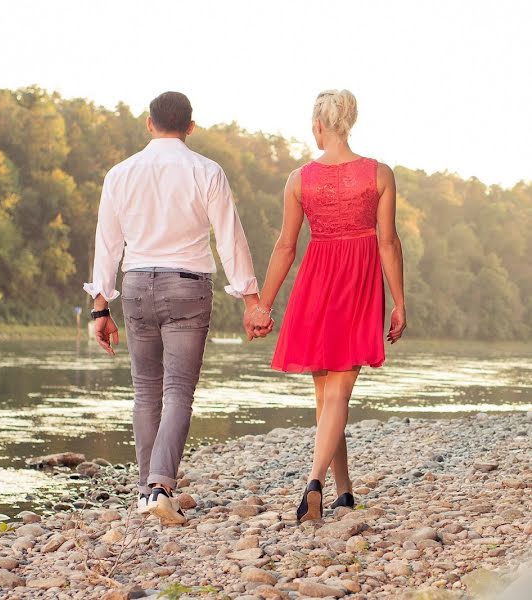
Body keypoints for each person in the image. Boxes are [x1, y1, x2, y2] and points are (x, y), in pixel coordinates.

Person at [83, 91, 270, 525]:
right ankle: (161, 487)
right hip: (187, 286)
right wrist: (251, 300)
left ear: (149, 124)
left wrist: (99, 308)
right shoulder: (207, 171)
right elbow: (230, 237)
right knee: (177, 391)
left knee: (146, 391)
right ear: (190, 126)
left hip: (135, 285)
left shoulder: (120, 173)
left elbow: (107, 244)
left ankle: (146, 492)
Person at [254, 89, 407, 522]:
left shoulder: (299, 179)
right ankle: (315, 483)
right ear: (349, 123)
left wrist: (264, 305)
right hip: (358, 279)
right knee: (335, 395)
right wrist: (399, 302)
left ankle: (344, 491)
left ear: (319, 125)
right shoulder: (379, 174)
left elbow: (286, 246)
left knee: (327, 398)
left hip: (316, 280)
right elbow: (389, 243)